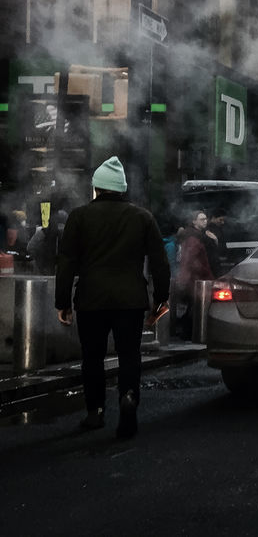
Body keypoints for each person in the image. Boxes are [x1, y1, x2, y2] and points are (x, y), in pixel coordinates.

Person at [54, 156, 169, 439]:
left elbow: (66, 261)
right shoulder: (142, 217)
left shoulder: (79, 217)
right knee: (129, 354)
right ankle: (128, 396)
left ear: (96, 188)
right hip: (130, 300)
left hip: (91, 299)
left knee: (92, 358)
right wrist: (160, 300)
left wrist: (63, 303)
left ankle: (95, 412)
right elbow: (160, 262)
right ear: (122, 189)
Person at [175, 210, 214, 339]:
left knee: (194, 306)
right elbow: (190, 260)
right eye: (202, 219)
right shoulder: (194, 238)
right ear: (194, 221)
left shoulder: (198, 236)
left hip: (196, 278)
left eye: (206, 218)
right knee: (195, 306)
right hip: (196, 279)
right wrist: (202, 272)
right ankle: (187, 333)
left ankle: (186, 332)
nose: (205, 221)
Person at [27, 209, 68, 274]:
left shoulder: (43, 232)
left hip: (44, 269)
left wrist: (38, 258)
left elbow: (30, 247)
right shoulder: (68, 234)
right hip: (58, 270)